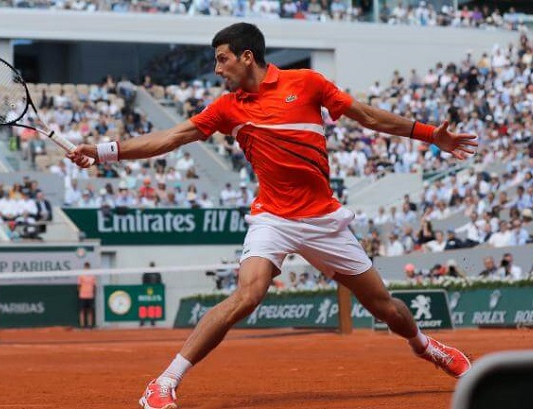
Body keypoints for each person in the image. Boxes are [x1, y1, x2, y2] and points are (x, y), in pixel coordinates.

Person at [67, 23, 475, 409]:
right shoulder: (227, 108)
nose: (217, 68)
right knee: (248, 294)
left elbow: (366, 116)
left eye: (222, 58)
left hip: (323, 219)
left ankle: (425, 346)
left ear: (247, 56)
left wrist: (427, 134)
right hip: (273, 219)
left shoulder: (307, 83)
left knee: (386, 307)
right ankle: (164, 382)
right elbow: (170, 137)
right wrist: (102, 151)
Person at [140, 262, 163, 327]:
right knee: (144, 307)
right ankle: (142, 322)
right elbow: (143, 282)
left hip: (155, 293)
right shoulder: (146, 273)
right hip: (147, 292)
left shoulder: (157, 274)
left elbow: (159, 283)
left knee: (153, 307)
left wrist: (158, 291)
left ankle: (152, 322)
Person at [77, 262, 96, 329]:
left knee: (90, 311)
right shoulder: (81, 275)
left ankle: (90, 325)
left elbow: (94, 286)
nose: (87, 268)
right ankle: (82, 325)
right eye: (86, 267)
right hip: (82, 296)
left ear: (89, 267)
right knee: (82, 310)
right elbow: (78, 286)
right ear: (84, 267)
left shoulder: (92, 275)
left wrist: (92, 293)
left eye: (88, 267)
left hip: (90, 295)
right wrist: (81, 293)